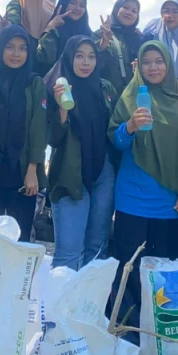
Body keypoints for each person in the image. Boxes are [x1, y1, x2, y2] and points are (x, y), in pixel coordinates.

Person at [107, 41, 178, 332]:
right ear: (139, 66)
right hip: (133, 199)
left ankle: (160, 331)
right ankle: (127, 330)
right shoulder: (130, 96)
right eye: (147, 62)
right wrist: (129, 127)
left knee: (165, 272)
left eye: (159, 61)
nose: (153, 68)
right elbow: (116, 141)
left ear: (168, 65)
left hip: (171, 203)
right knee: (129, 269)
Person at [45, 36, 120, 270]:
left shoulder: (105, 87)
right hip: (70, 175)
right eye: (79, 56)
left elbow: (114, 129)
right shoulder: (58, 88)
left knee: (97, 248)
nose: (86, 62)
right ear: (69, 57)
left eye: (91, 56)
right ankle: (61, 307)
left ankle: (91, 306)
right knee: (68, 253)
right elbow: (53, 138)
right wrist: (61, 109)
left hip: (103, 173)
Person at [0, 25, 47, 241]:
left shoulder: (35, 84)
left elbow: (38, 128)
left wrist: (33, 168)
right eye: (10, 47)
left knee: (20, 240)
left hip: (22, 173)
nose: (16, 54)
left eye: (22, 48)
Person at [141, 0, 178, 93]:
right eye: (165, 11)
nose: (169, 15)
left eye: (175, 11)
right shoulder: (150, 38)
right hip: (152, 93)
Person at [36, 0, 92, 75]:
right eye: (73, 3)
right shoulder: (54, 30)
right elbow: (44, 59)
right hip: (56, 84)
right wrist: (50, 28)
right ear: (64, 3)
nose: (77, 8)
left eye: (82, 5)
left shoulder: (88, 34)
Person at [94, 0, 142, 92]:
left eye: (134, 11)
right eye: (125, 7)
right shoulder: (100, 34)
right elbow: (90, 61)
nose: (129, 12)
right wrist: (103, 43)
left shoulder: (139, 38)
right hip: (107, 93)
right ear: (116, 9)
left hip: (134, 94)